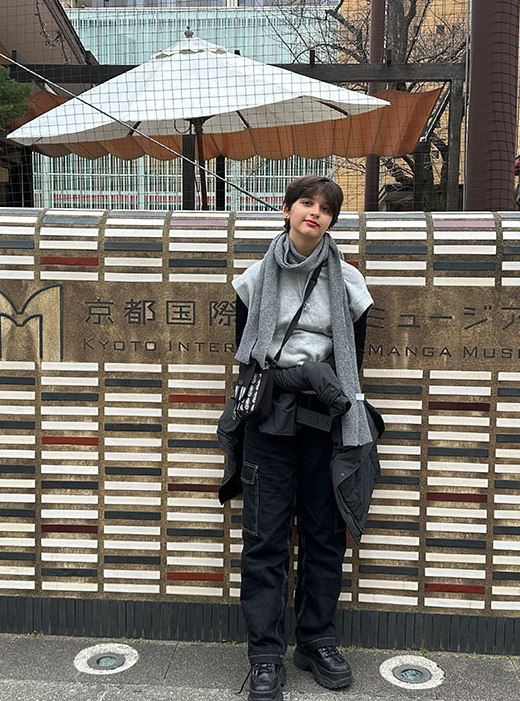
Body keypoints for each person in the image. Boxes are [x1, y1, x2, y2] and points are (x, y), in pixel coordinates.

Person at [222, 176, 374, 701]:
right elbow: (248, 356)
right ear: (287, 210)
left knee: (323, 534)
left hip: (324, 422)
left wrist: (319, 381)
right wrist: (292, 375)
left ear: (333, 220)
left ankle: (316, 640)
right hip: (268, 421)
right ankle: (265, 655)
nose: (316, 213)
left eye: (327, 208)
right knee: (264, 539)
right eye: (307, 203)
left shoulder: (349, 283)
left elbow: (351, 361)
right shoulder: (255, 279)